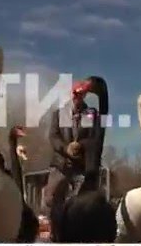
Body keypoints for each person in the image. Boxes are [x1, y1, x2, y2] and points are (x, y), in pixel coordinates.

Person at [41, 80, 102, 215]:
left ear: (85, 95)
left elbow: (94, 138)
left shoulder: (90, 114)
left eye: (80, 94)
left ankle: (74, 228)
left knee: (79, 201)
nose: (77, 97)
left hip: (80, 165)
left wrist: (80, 145)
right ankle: (54, 226)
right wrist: (65, 148)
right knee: (51, 198)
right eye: (74, 94)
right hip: (60, 164)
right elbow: (53, 136)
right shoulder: (59, 113)